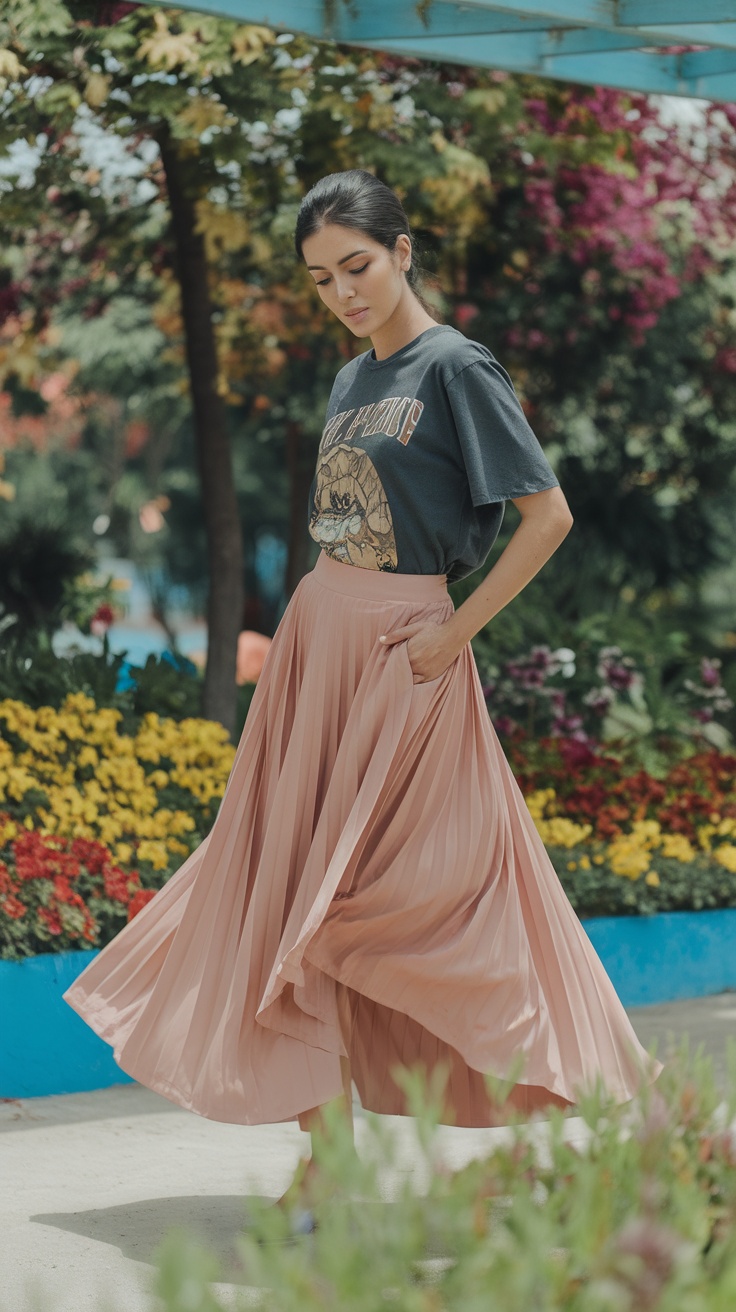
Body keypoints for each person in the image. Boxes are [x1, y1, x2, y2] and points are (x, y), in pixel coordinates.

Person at [63, 168, 662, 1228]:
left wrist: (456, 631)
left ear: (403, 251)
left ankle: (629, 1118)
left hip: (406, 655)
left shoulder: (456, 368)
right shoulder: (350, 379)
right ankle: (326, 1161)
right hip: (317, 652)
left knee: (429, 897)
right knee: (295, 885)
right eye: (322, 277)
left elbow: (548, 516)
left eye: (357, 265)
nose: (342, 290)